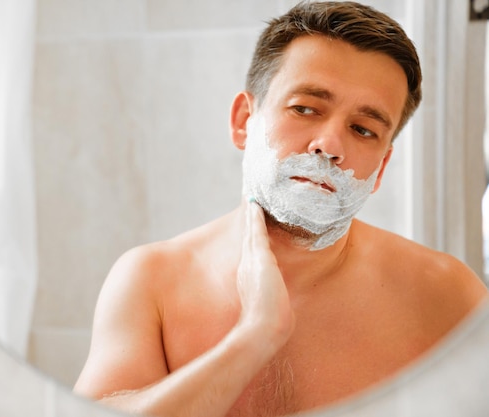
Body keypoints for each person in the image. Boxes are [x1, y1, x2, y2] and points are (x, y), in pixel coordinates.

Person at [74, 2, 489, 417]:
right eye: (305, 108)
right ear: (244, 121)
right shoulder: (151, 281)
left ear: (380, 168)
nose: (329, 145)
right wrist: (254, 336)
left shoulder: (446, 297)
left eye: (363, 130)